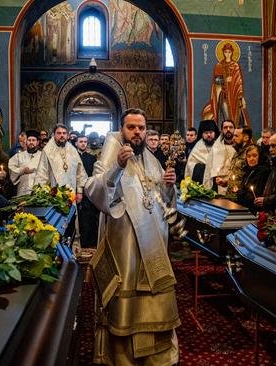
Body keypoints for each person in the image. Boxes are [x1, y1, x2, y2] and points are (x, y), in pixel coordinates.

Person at [86, 108, 179, 365]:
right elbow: (93, 191)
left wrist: (169, 187)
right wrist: (117, 167)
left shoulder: (152, 160)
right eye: (131, 127)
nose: (137, 133)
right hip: (123, 247)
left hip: (152, 245)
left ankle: (156, 355)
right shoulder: (111, 155)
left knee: (152, 300)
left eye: (141, 128)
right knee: (124, 305)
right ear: (121, 129)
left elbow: (163, 204)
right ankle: (122, 357)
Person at [34, 124, 87, 204]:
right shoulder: (48, 150)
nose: (62, 135)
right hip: (53, 193)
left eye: (64, 133)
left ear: (67, 135)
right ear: (54, 135)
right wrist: (40, 192)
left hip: (71, 191)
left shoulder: (72, 150)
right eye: (59, 133)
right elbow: (42, 172)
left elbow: (80, 172)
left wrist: (79, 191)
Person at [202, 42, 249, 127]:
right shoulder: (219, 66)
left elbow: (239, 82)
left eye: (229, 52)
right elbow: (216, 81)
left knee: (238, 118)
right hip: (224, 96)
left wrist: (241, 97)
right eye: (226, 52)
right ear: (223, 53)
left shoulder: (235, 66)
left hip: (234, 96)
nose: (227, 54)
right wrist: (225, 80)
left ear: (232, 53)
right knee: (225, 115)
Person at [77, 135, 99, 248]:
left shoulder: (92, 158)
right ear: (76, 143)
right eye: (81, 142)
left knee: (90, 218)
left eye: (85, 142)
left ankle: (91, 243)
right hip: (76, 191)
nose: (83, 144)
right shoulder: (73, 157)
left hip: (89, 191)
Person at [218, 127, 253, 195]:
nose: (233, 138)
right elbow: (236, 174)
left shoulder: (251, 153)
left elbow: (251, 178)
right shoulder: (237, 152)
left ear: (245, 138)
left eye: (236, 136)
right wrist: (225, 181)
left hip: (241, 198)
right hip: (231, 195)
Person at [237, 144, 270, 212]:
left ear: (260, 156)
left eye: (254, 155)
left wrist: (239, 192)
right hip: (245, 209)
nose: (251, 159)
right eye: (248, 156)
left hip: (255, 210)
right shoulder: (247, 171)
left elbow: (256, 194)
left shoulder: (264, 171)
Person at [8, 130, 41, 196]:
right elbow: (11, 169)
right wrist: (22, 170)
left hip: (39, 190)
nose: (31, 142)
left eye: (33, 140)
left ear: (37, 142)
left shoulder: (43, 156)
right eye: (29, 140)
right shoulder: (18, 156)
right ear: (26, 142)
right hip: (23, 190)